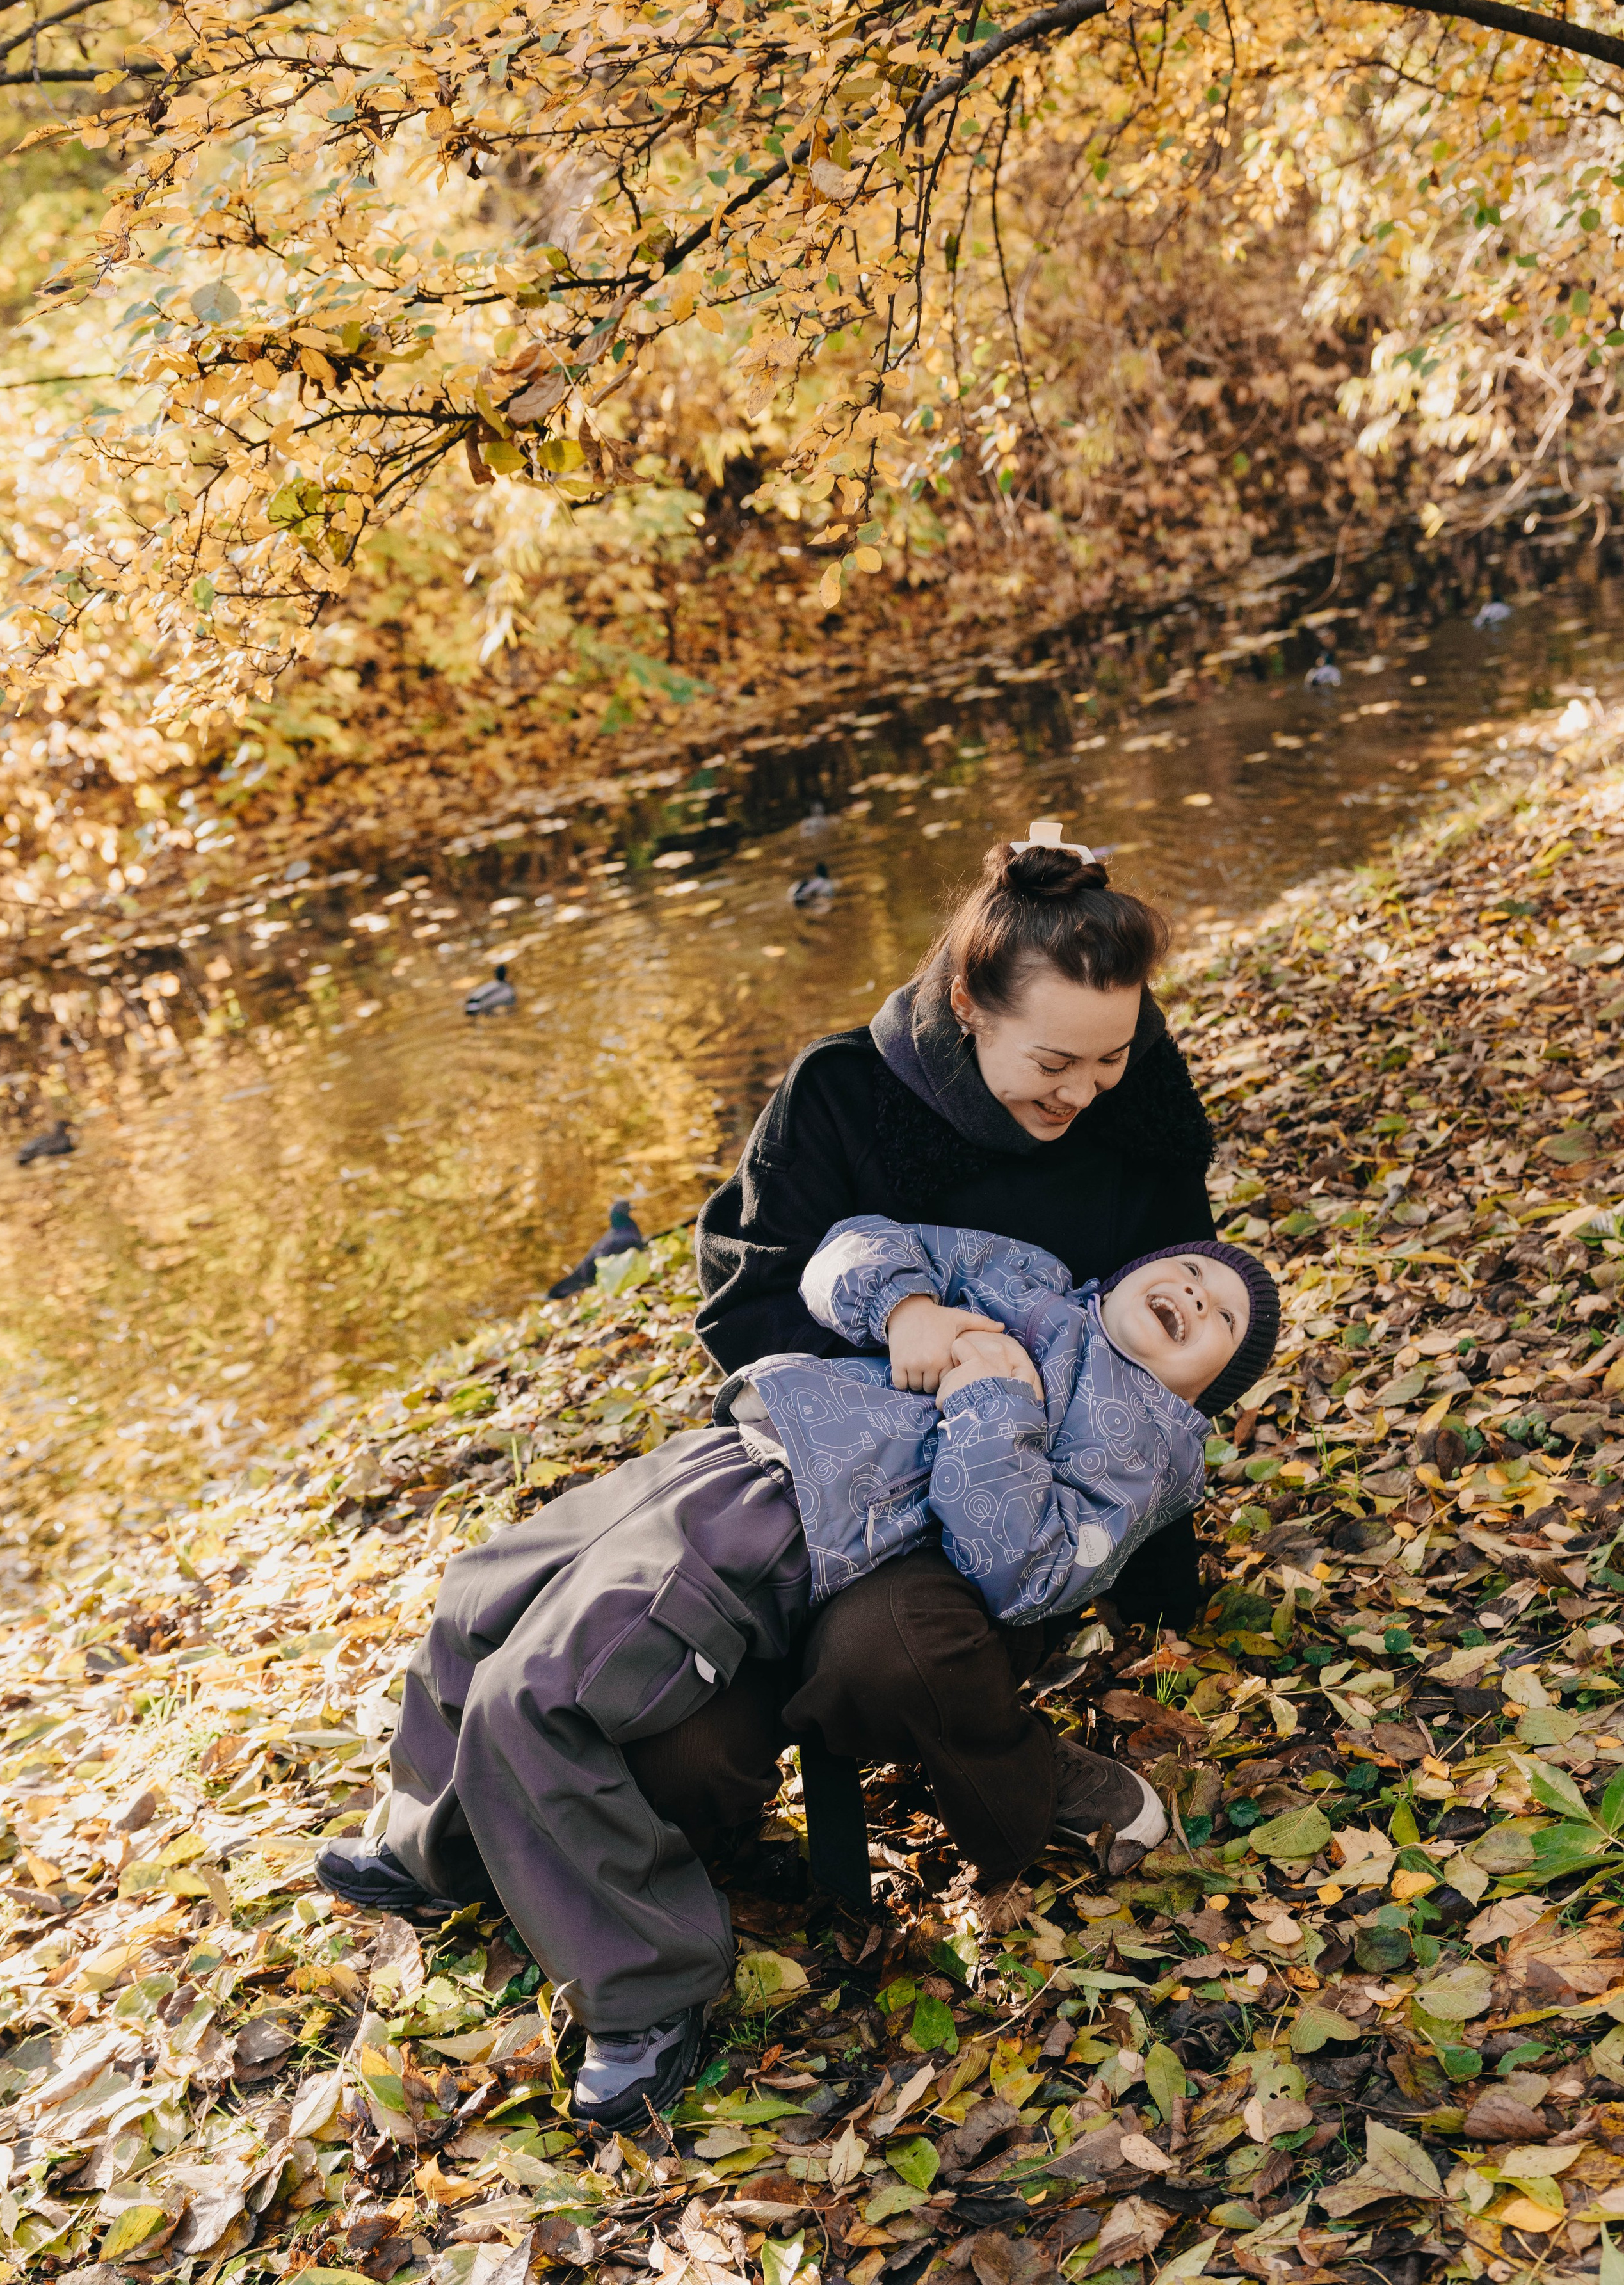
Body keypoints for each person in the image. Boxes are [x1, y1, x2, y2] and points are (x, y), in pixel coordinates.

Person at [316, 1219, 1278, 2135]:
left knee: (542, 1694)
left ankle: (649, 1991)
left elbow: (1016, 1570)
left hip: (790, 1524)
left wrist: (993, 1399)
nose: (1194, 1296)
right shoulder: (1025, 1273)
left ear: (1202, 1393)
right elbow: (853, 1245)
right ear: (1130, 1272)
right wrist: (908, 1308)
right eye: (1191, 1274)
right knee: (480, 1589)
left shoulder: (1137, 1453)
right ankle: (434, 1848)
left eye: (1221, 1318)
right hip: (730, 1453)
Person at [687, 829, 1218, 1904]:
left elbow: (1177, 1296)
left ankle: (1027, 1783)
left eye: (1111, 1057)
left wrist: (1147, 1544)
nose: (1086, 1093)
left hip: (1028, 1491)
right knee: (683, 1738)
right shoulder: (840, 1094)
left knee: (880, 1660)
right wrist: (918, 1347)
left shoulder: (1139, 1097)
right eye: (1055, 1063)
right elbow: (748, 1299)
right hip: (846, 1459)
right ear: (972, 1006)